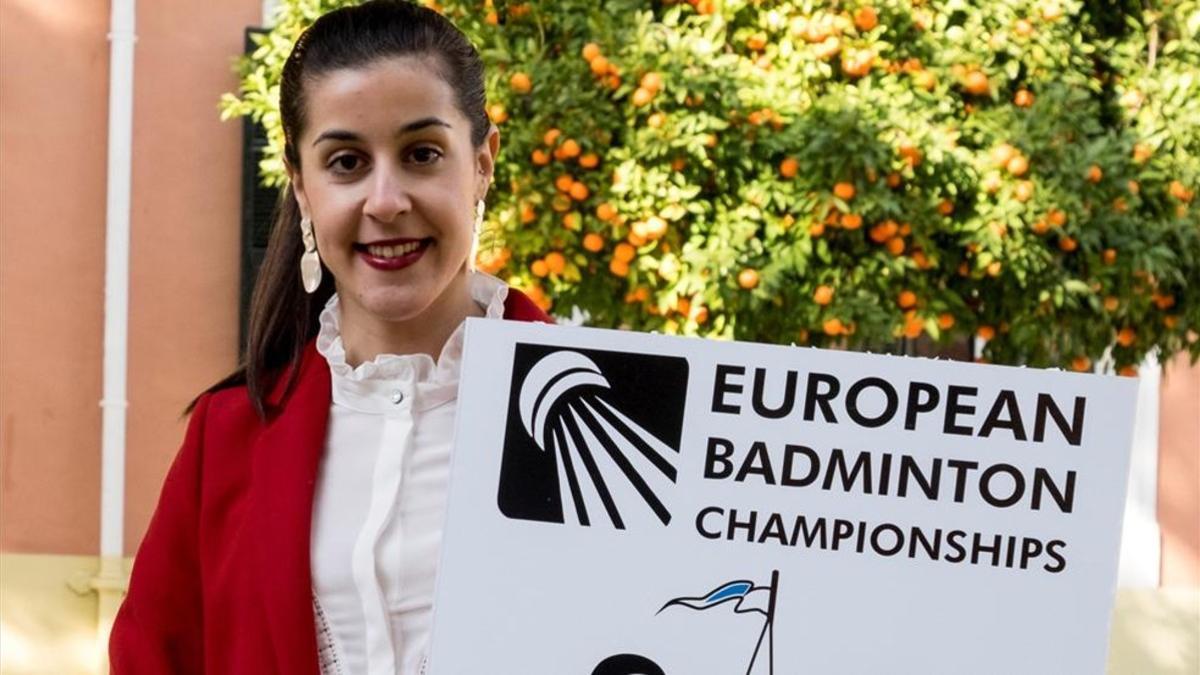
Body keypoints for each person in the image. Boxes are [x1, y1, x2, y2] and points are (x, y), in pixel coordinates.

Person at [109, 2, 552, 673]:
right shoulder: (225, 437)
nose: (385, 200)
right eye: (346, 162)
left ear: (483, 162)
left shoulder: (611, 408)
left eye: (422, 154)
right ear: (301, 184)